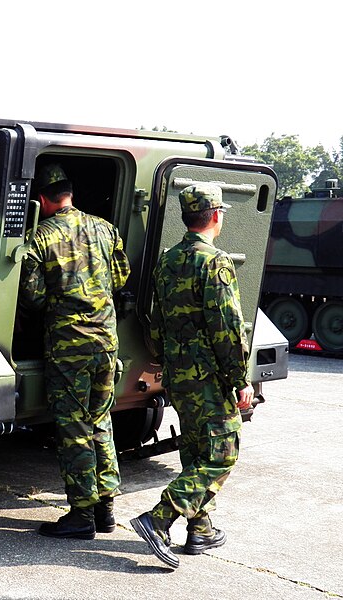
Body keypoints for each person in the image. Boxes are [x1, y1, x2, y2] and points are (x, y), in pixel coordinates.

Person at [131, 183, 254, 569]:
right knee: (222, 454)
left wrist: (166, 361)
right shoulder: (214, 262)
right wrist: (240, 378)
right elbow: (228, 328)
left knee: (198, 450)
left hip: (178, 374)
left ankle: (200, 528)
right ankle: (159, 518)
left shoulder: (168, 261)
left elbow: (155, 322)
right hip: (210, 377)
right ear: (216, 215)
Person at [18, 163, 130, 540]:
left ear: (42, 198)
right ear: (69, 192)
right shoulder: (105, 228)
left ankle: (81, 514)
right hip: (106, 341)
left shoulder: (40, 237)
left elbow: (31, 298)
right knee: (100, 422)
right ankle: (106, 509)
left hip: (69, 348)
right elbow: (120, 277)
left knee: (73, 428)